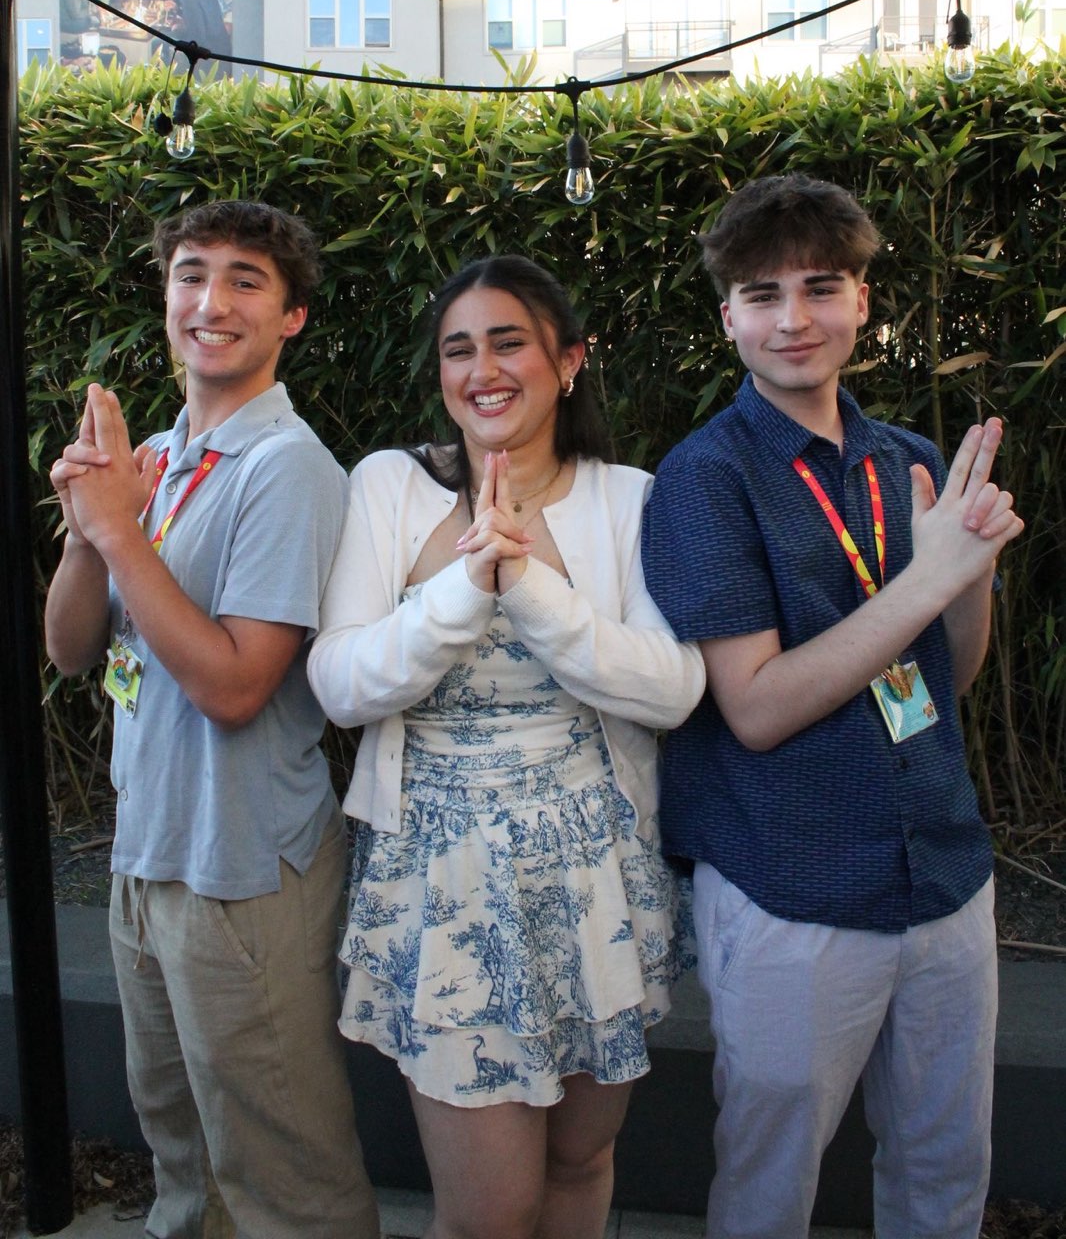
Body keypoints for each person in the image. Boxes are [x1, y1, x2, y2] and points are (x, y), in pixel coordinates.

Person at [641, 172, 1025, 1239]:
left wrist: (970, 569)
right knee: (770, 1186)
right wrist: (923, 576)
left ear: (863, 301)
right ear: (728, 318)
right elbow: (754, 707)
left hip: (944, 872)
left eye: (821, 287)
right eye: (763, 296)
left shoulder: (908, 459)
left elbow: (952, 677)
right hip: (790, 883)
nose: (794, 319)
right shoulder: (703, 479)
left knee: (945, 1168)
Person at [308, 254, 706, 1239]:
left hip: (593, 876)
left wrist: (529, 586)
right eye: (458, 348)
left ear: (568, 361)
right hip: (444, 884)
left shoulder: (627, 497)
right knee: (488, 1214)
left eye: (507, 341)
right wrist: (468, 583)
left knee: (581, 1164)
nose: (481, 367)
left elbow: (672, 688)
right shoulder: (390, 486)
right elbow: (343, 685)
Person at [44, 200, 379, 1239]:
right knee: (182, 1150)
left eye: (246, 280)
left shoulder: (290, 470)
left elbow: (237, 685)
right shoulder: (156, 453)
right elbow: (68, 648)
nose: (212, 300)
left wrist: (120, 531)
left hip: (241, 867)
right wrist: (88, 534)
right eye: (193, 274)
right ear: (165, 296)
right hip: (149, 853)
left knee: (282, 1165)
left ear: (291, 320)